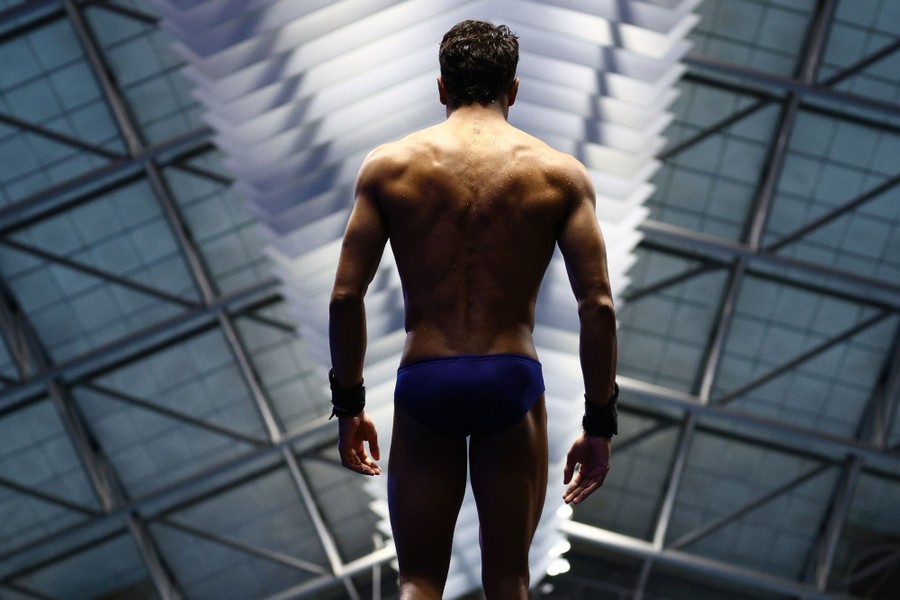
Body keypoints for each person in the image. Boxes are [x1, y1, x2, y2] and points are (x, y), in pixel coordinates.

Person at [328, 20, 618, 600]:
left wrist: (350, 405)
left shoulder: (389, 167)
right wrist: (598, 425)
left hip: (426, 375)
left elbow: (345, 297)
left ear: (441, 87)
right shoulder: (558, 175)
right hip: (509, 376)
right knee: (508, 580)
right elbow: (599, 307)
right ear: (514, 90)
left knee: (418, 580)